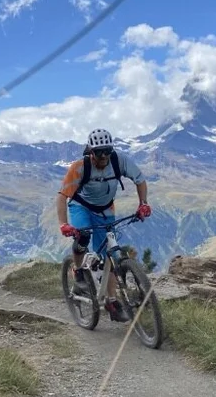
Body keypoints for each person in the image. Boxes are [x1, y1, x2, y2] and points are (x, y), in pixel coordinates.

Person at [56, 128, 151, 322]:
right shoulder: (79, 167)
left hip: (105, 208)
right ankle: (78, 270)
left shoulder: (119, 160)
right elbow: (62, 196)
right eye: (99, 152)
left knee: (112, 255)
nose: (104, 156)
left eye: (107, 151)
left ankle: (111, 301)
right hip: (81, 206)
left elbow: (140, 181)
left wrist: (143, 204)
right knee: (83, 235)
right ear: (90, 151)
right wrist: (63, 224)